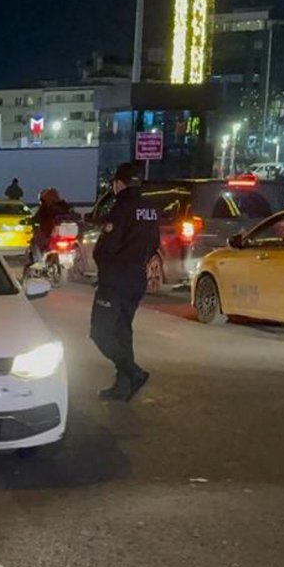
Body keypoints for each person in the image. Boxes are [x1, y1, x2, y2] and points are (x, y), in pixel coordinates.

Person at [90, 162, 160, 401]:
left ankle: (133, 371)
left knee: (100, 332)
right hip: (135, 279)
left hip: (115, 280)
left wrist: (103, 267)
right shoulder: (149, 207)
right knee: (122, 330)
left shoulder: (122, 207)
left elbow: (105, 248)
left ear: (119, 183)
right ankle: (123, 385)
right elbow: (154, 243)